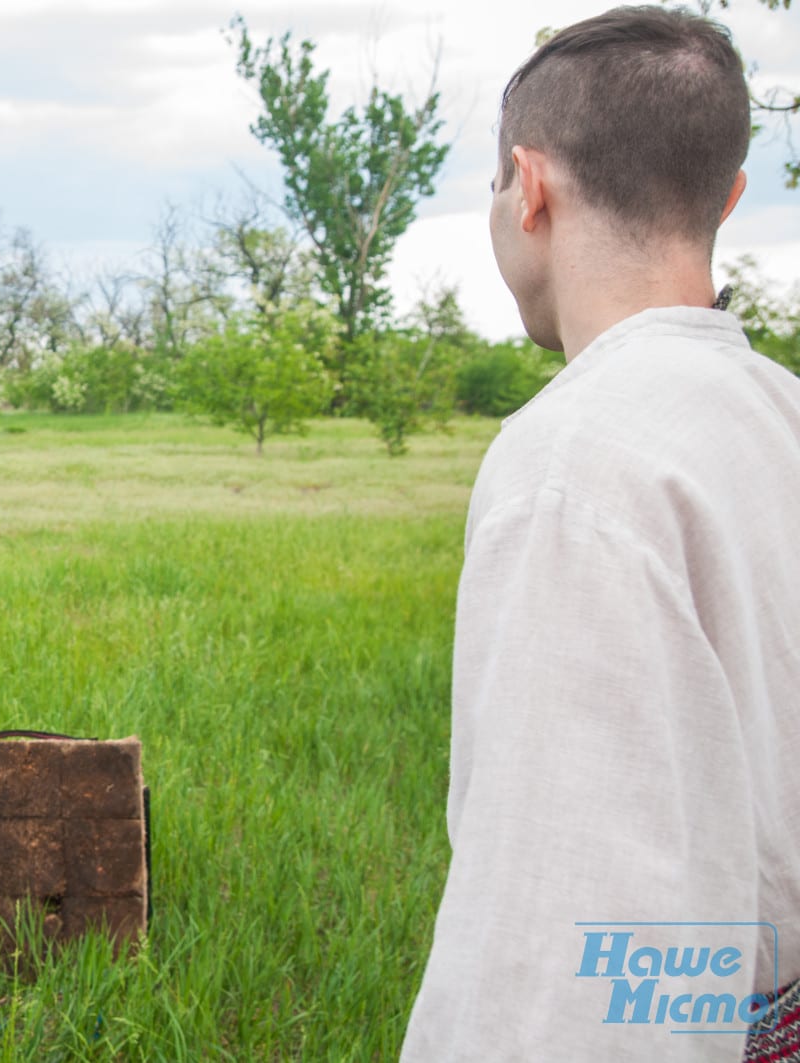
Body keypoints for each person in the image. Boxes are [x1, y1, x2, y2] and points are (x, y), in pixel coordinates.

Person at [403, 7, 800, 1060]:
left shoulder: (572, 465)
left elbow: (569, 941)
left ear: (526, 188)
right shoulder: (780, 411)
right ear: (723, 197)